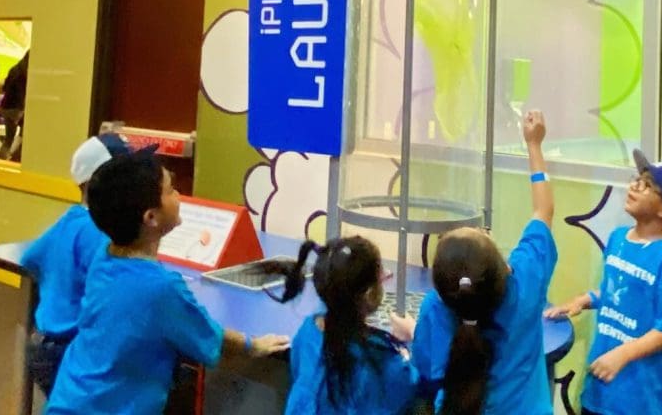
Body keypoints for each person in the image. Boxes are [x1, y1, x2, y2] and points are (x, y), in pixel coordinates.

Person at [46, 150, 288, 414]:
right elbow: (212, 340)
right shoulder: (161, 288)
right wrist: (254, 345)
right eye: (171, 191)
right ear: (151, 217)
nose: (179, 196)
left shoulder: (103, 258)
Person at [394, 110, 556, 415]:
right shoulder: (526, 283)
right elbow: (543, 210)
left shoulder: (436, 308)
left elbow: (428, 374)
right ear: (503, 266)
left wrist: (417, 333)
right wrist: (534, 146)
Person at [545, 149, 662, 415]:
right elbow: (617, 291)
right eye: (637, 178)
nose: (635, 186)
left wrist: (623, 355)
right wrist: (583, 300)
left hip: (641, 400)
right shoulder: (617, 239)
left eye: (648, 185)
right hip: (600, 393)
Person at [22, 132, 137, 396]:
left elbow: (30, 258)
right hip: (70, 347)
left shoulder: (70, 220)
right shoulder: (101, 232)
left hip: (43, 342)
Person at [269, 235, 419, 415]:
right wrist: (414, 340)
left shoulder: (308, 331)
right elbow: (412, 385)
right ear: (369, 293)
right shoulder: (381, 360)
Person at [0, 50, 29, 159]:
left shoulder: (14, 69)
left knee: (9, 137)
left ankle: (5, 156)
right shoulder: (27, 73)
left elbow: (4, 88)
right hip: (17, 108)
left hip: (6, 106)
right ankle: (11, 157)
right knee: (21, 135)